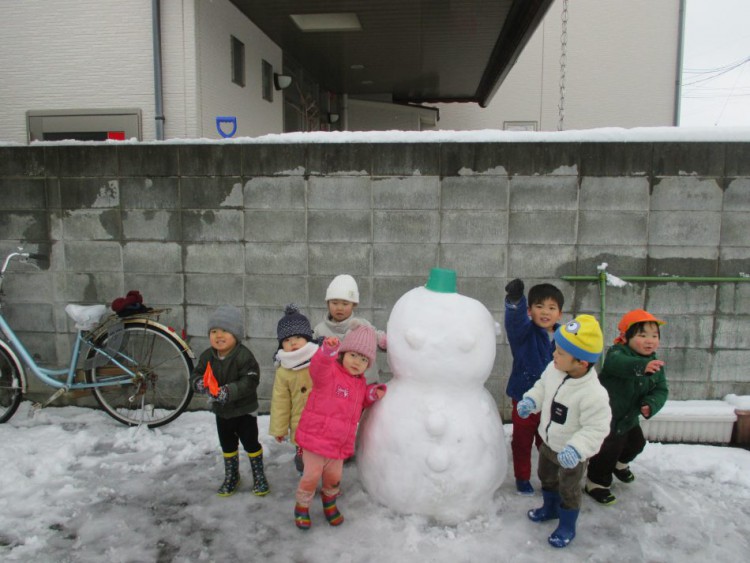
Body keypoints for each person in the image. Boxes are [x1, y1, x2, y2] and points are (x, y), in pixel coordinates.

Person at [516, 314, 611, 548]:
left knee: (569, 490)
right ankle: (549, 508)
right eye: (556, 349)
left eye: (560, 353)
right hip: (548, 443)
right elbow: (541, 387)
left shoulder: (593, 394)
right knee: (546, 477)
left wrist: (576, 449)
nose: (554, 355)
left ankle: (567, 525)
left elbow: (596, 428)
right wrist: (531, 401)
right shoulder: (554, 369)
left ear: (582, 363)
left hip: (572, 455)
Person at [292, 325, 387, 530]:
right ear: (343, 354)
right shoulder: (330, 373)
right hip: (316, 440)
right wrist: (327, 352)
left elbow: (360, 402)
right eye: (353, 355)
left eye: (364, 360)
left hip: (338, 445)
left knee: (334, 480)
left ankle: (330, 505)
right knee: (311, 476)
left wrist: (372, 394)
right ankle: (302, 506)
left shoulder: (360, 383)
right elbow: (318, 367)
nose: (358, 362)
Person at [585, 309, 668, 505]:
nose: (650, 340)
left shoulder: (655, 363)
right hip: (608, 417)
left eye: (654, 336)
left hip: (629, 417)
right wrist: (641, 367)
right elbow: (618, 364)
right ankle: (596, 482)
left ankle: (619, 464)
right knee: (607, 451)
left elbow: (661, 389)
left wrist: (650, 404)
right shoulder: (616, 354)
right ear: (625, 337)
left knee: (637, 444)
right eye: (642, 335)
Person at [192, 305, 269, 497]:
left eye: (225, 331)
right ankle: (232, 475)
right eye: (214, 331)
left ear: (236, 335)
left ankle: (259, 476)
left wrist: (229, 391)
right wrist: (199, 383)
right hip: (222, 412)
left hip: (244, 411)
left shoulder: (244, 356)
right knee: (227, 445)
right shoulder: (207, 356)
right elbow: (197, 374)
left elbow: (250, 380)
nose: (219, 335)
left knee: (250, 443)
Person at [504, 278, 565, 495]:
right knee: (522, 441)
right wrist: (515, 300)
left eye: (551, 308)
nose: (545, 312)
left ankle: (550, 478)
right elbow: (514, 321)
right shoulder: (524, 333)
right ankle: (522, 477)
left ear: (560, 313)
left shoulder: (564, 338)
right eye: (539, 307)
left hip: (552, 402)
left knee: (548, 442)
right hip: (525, 398)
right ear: (530, 311)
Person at [269, 304, 319, 475]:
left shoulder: (319, 358)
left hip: (322, 419)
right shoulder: (283, 370)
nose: (293, 342)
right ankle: (304, 475)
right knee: (304, 460)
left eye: (298, 337)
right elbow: (280, 402)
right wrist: (279, 428)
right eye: (287, 340)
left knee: (322, 453)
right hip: (300, 421)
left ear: (307, 337)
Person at [313, 274, 386, 383]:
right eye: (334, 303)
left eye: (345, 304)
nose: (339, 308)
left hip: (365, 384)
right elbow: (311, 356)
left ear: (354, 305)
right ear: (327, 303)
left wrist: (387, 341)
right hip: (335, 386)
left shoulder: (362, 325)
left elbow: (379, 340)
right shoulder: (319, 330)